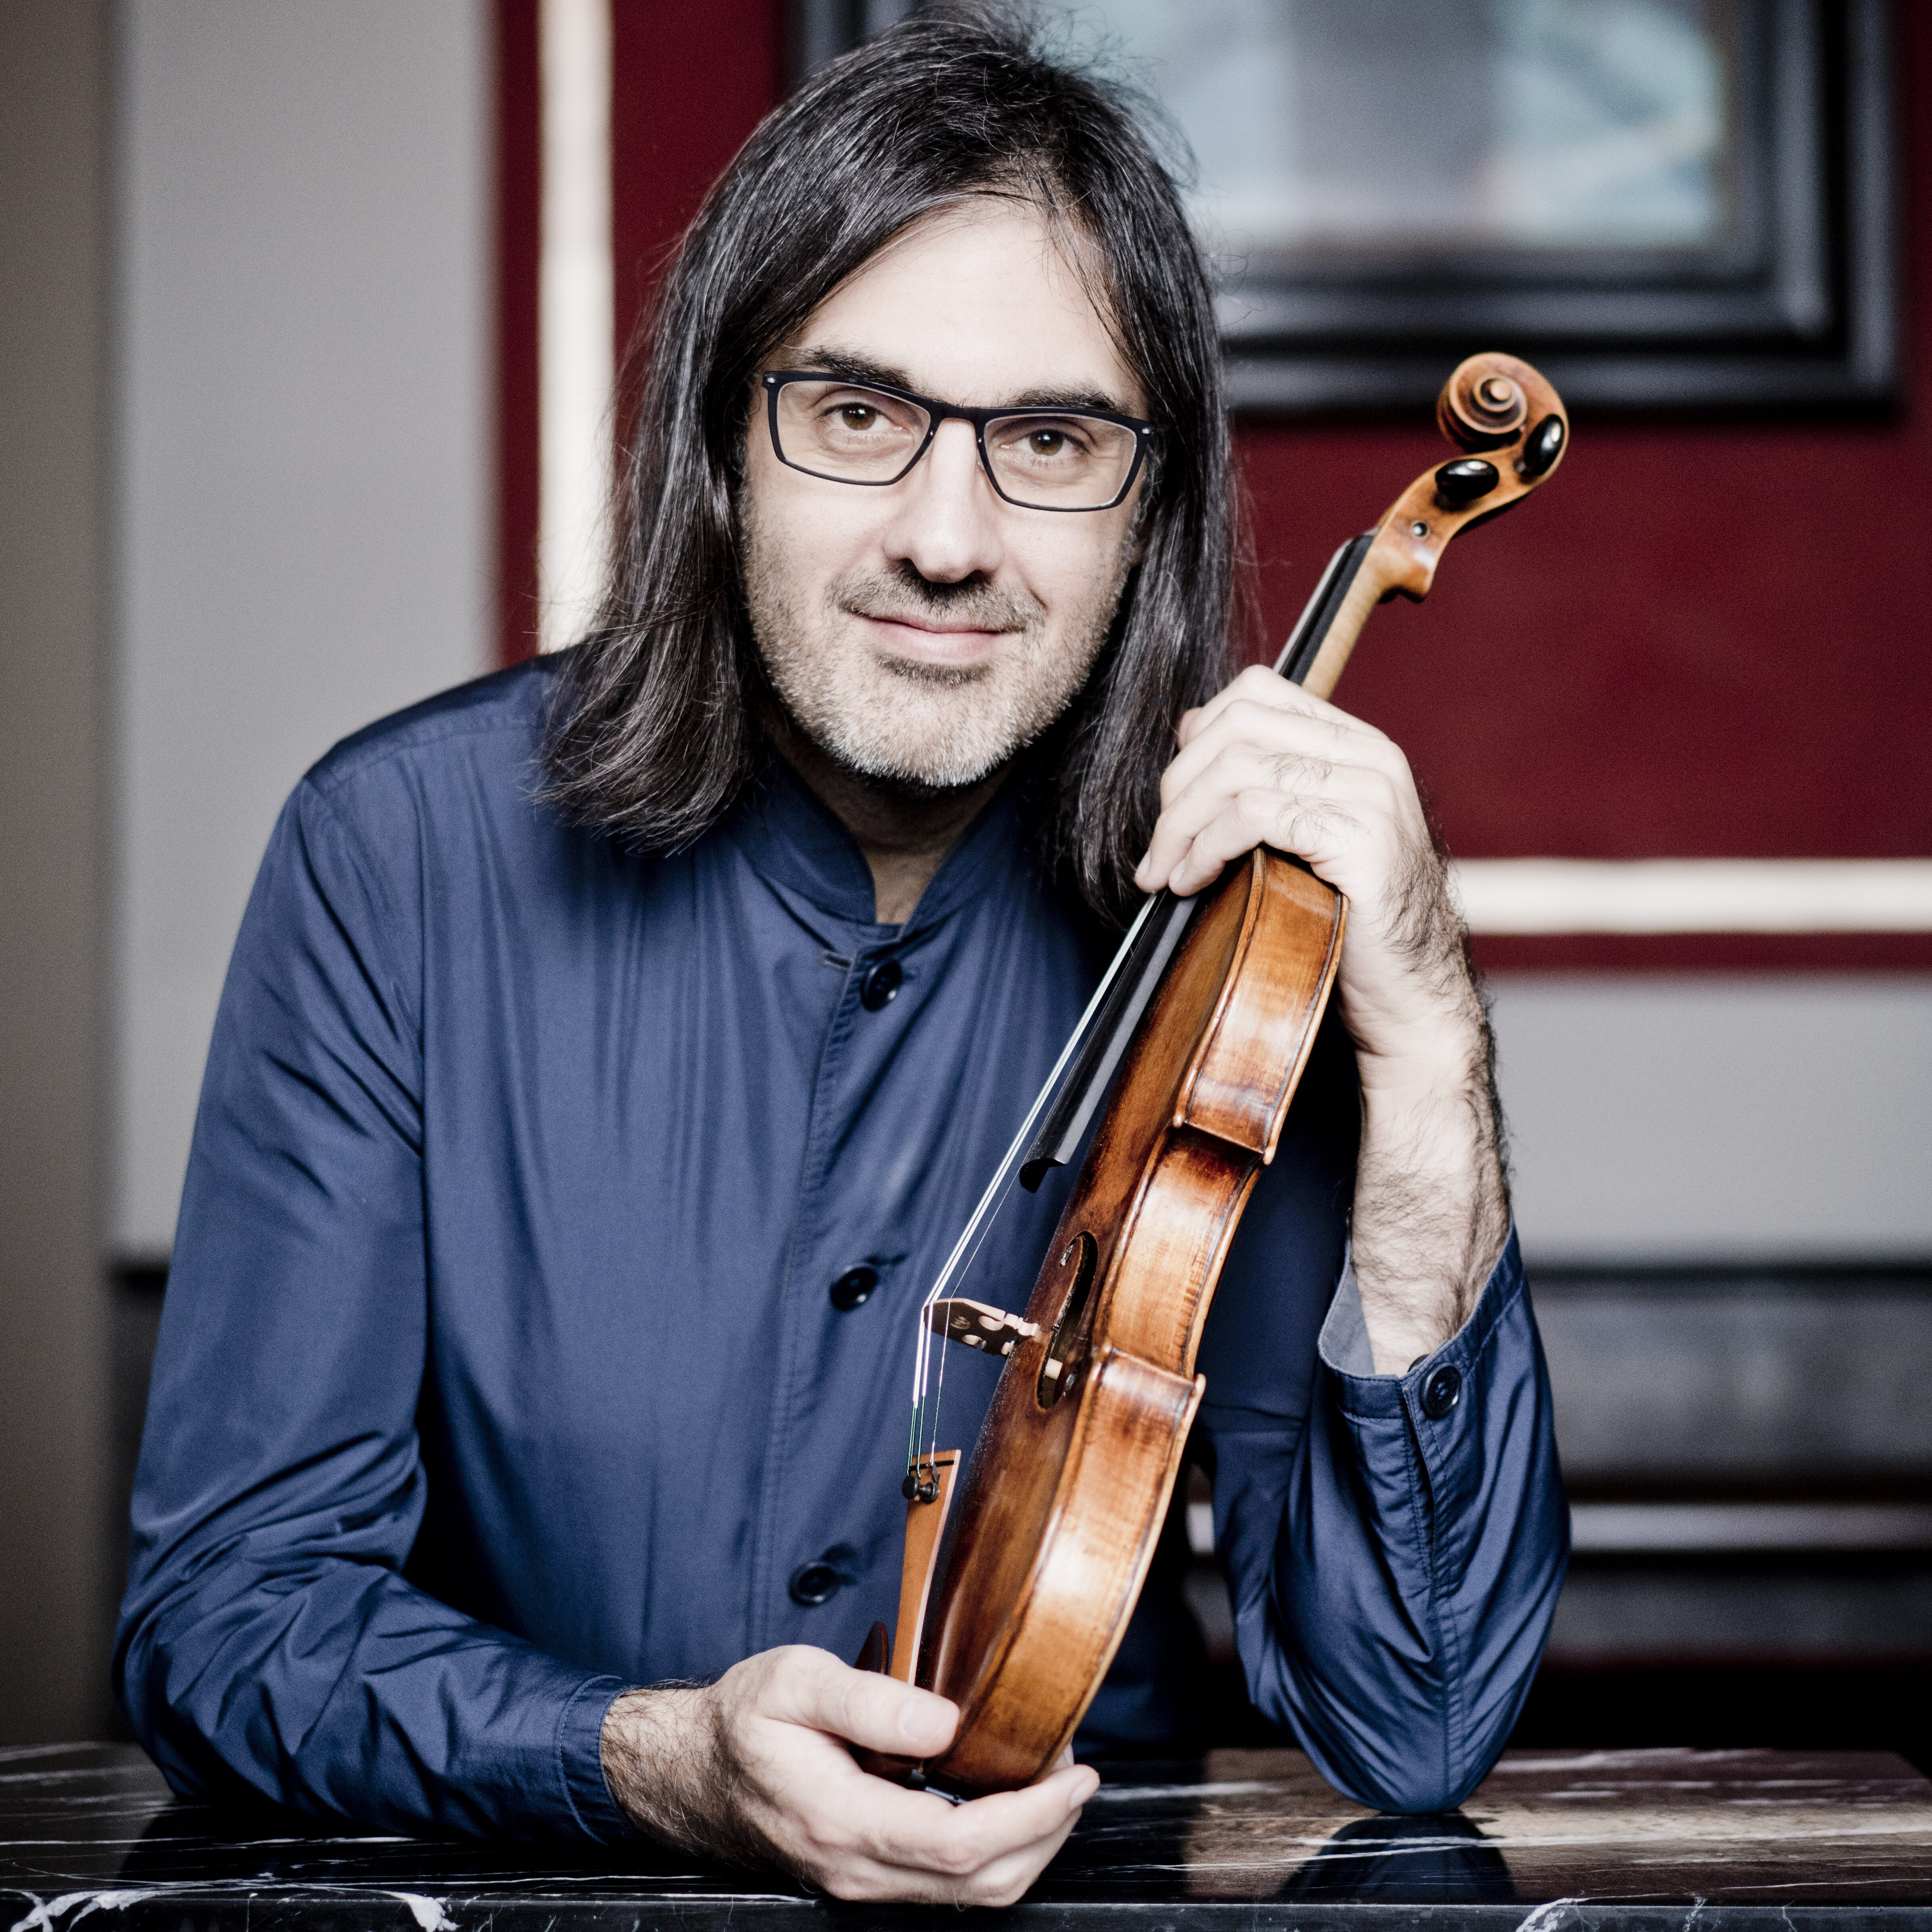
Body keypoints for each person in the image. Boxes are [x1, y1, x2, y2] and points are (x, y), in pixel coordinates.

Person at [115, 10, 1567, 1907]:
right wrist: (645, 1754)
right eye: (860, 415)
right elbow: (227, 1613)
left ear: (1151, 506)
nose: (946, 538)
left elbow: (1418, 1715)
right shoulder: (396, 855)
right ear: (722, 436)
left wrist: (1424, 1033)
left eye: (1050, 438)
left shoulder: (1248, 935)